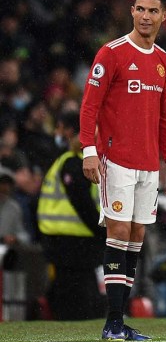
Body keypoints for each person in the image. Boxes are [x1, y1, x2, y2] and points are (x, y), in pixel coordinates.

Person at [79, 0, 166, 342]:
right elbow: (89, 105)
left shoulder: (164, 61)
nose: (145, 16)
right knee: (118, 233)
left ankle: (119, 320)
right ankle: (112, 322)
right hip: (116, 159)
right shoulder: (112, 53)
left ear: (163, 16)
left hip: (149, 165)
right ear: (132, 12)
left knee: (137, 236)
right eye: (140, 9)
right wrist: (88, 150)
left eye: (153, 11)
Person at [37, 110, 106, 320]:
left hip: (66, 243)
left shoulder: (65, 161)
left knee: (75, 292)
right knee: (80, 300)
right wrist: (103, 231)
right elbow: (82, 204)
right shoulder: (74, 164)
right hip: (72, 242)